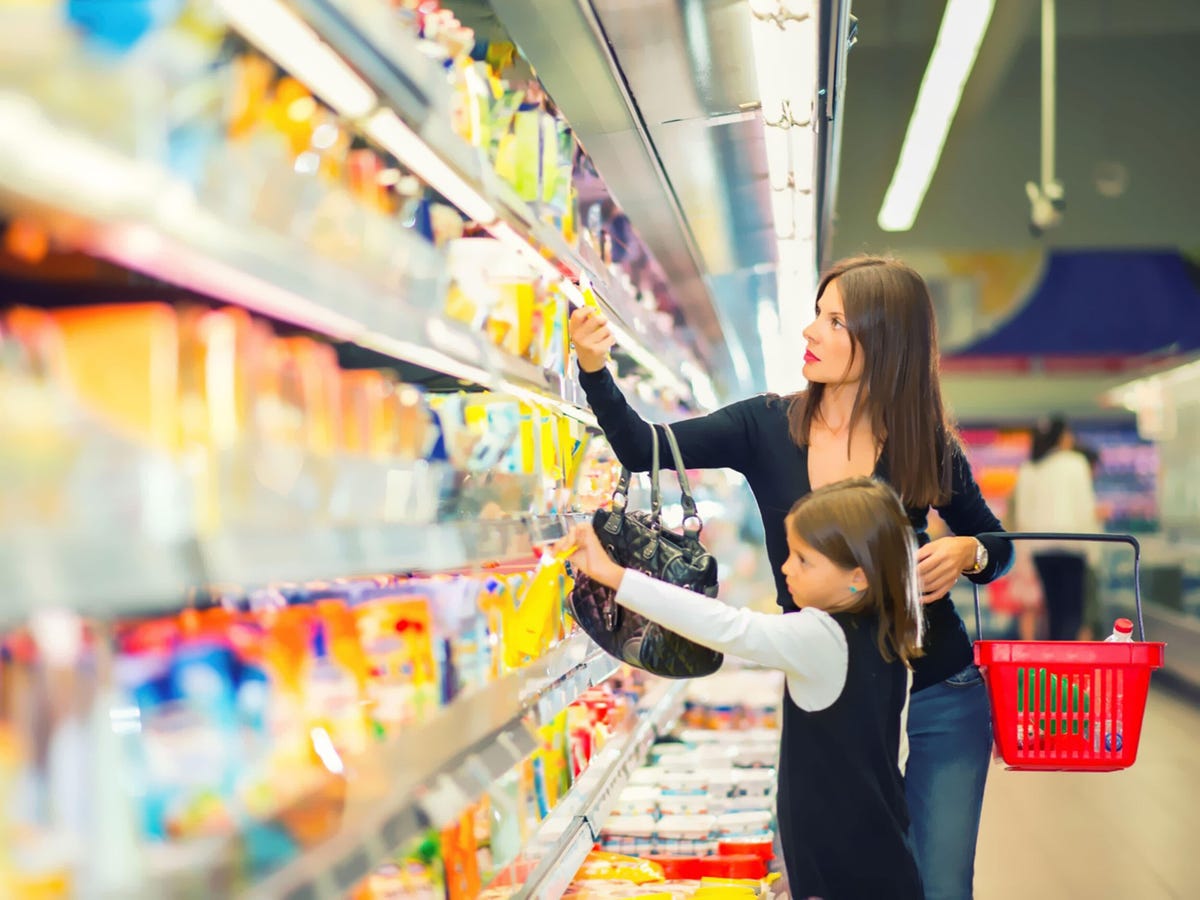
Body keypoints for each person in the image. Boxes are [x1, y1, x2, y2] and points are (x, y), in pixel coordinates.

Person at [570, 255, 1013, 900]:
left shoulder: (925, 443)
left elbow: (997, 546)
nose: (810, 332)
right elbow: (645, 448)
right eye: (816, 313)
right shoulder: (767, 426)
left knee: (941, 884)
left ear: (885, 341)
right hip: (839, 696)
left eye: (835, 321)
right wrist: (592, 367)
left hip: (939, 687)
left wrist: (968, 552)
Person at [564, 477, 925, 899]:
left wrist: (612, 574)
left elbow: (727, 627)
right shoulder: (886, 635)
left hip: (841, 871)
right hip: (881, 858)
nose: (787, 568)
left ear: (857, 578)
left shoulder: (823, 636)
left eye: (804, 560)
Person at [1012, 416, 1100, 641]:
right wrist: (1093, 552)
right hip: (1072, 546)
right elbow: (1085, 508)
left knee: (1053, 610)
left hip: (1041, 548)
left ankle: (1053, 666)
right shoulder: (1076, 463)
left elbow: (1023, 515)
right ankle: (1069, 667)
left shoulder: (1030, 467)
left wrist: (1025, 554)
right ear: (1062, 437)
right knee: (1073, 612)